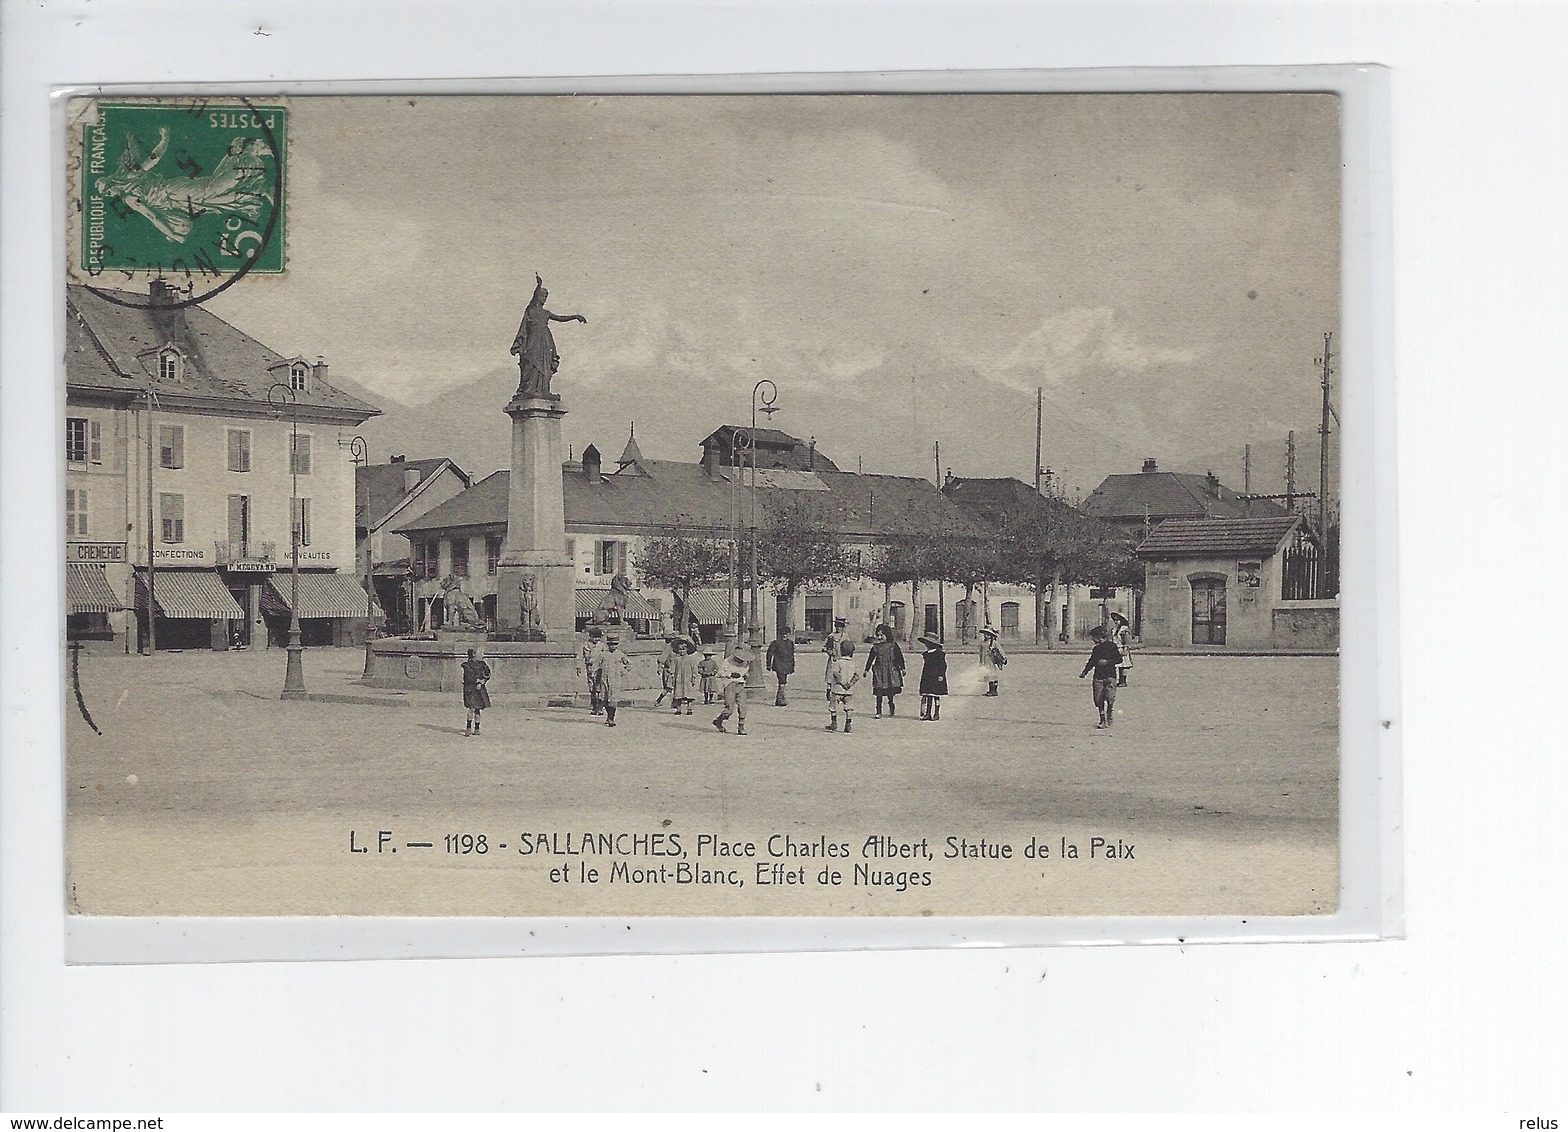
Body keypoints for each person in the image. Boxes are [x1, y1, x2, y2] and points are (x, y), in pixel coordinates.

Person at [509, 274, 586, 400]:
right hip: (533, 341)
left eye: (545, 296)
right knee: (531, 364)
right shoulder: (531, 309)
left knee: (545, 365)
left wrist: (575, 316)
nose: (544, 299)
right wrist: (538, 286)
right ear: (537, 296)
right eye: (542, 296)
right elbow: (532, 302)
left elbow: (560, 318)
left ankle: (543, 390)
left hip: (545, 341)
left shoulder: (546, 313)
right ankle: (529, 390)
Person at [1079, 625, 1123, 729]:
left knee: (1110, 697)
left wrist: (1107, 662)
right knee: (1098, 699)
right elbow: (1092, 661)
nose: (1092, 640)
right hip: (1098, 677)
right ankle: (1102, 719)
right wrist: (1085, 672)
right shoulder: (1096, 649)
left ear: (1099, 637)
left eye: (1094, 637)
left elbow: (1119, 659)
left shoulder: (1112, 646)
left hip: (1110, 676)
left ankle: (1109, 711)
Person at [863, 624, 906, 718]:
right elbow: (870, 658)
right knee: (879, 691)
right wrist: (866, 669)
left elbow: (899, 657)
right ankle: (878, 710)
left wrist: (902, 668)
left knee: (890, 691)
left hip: (890, 670)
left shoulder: (893, 646)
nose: (879, 637)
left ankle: (891, 706)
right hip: (879, 670)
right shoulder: (875, 647)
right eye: (878, 635)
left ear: (887, 635)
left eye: (882, 635)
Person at [594, 633, 632, 727]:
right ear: (608, 644)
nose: (613, 646)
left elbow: (629, 665)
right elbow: (597, 667)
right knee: (605, 700)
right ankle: (608, 716)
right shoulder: (603, 655)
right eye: (611, 644)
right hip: (604, 680)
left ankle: (611, 718)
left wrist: (622, 672)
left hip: (615, 680)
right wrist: (597, 680)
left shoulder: (620, 655)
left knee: (613, 700)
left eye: (615, 644)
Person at [825, 639, 861, 732]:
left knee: (833, 707)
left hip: (837, 689)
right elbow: (857, 676)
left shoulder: (838, 662)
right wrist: (850, 684)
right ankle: (848, 724)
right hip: (849, 690)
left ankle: (834, 723)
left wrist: (842, 683)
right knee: (849, 707)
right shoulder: (853, 663)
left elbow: (836, 674)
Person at [712, 654, 749, 736]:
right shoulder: (727, 661)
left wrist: (742, 675)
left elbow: (745, 672)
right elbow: (719, 673)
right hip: (729, 685)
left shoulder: (746, 662)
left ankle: (741, 726)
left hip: (740, 685)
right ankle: (719, 720)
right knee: (729, 709)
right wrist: (730, 674)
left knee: (743, 706)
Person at [461, 647, 491, 737]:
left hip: (480, 688)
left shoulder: (482, 664)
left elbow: (488, 673)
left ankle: (477, 728)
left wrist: (483, 681)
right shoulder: (467, 665)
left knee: (478, 708)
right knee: (471, 708)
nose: (483, 654)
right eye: (480, 653)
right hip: (471, 689)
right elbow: (469, 676)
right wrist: (477, 681)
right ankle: (468, 727)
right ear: (474, 654)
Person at [917, 635, 948, 721]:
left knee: (936, 695)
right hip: (927, 676)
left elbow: (943, 665)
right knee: (928, 695)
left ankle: (936, 713)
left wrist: (941, 675)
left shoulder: (939, 654)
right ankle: (928, 713)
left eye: (928, 643)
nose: (926, 645)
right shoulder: (927, 654)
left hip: (936, 676)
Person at [670, 638, 700, 715]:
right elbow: (673, 668)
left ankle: (689, 708)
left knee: (689, 694)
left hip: (688, 678)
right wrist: (672, 676)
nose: (681, 651)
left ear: (687, 649)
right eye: (680, 649)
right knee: (678, 694)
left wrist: (694, 677)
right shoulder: (676, 659)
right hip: (679, 678)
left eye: (683, 649)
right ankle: (678, 709)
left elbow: (694, 669)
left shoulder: (691, 659)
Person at [766, 632, 796, 706]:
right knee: (782, 681)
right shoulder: (775, 643)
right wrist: (768, 665)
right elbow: (769, 654)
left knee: (783, 681)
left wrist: (792, 666)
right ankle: (780, 698)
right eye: (783, 634)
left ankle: (780, 698)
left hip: (787, 665)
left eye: (786, 634)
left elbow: (792, 655)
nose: (785, 635)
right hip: (778, 664)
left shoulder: (790, 643)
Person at [581, 627, 606, 715]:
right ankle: (594, 705)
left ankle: (600, 707)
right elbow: (580, 657)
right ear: (590, 636)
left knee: (599, 688)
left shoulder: (602, 646)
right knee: (592, 688)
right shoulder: (586, 645)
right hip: (590, 668)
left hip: (599, 668)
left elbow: (606, 657)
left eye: (598, 637)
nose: (597, 639)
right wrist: (578, 667)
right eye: (595, 637)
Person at [979, 625, 1007, 697]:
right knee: (988, 676)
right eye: (985, 634)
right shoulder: (983, 643)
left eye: (988, 634)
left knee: (993, 675)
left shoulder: (994, 643)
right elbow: (981, 653)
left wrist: (1004, 657)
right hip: (986, 661)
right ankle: (990, 689)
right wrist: (981, 662)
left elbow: (1000, 650)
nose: (986, 636)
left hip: (992, 661)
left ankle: (994, 690)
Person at [653, 633, 678, 708]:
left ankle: (674, 703)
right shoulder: (668, 647)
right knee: (668, 687)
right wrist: (660, 667)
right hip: (669, 670)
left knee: (675, 687)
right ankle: (658, 700)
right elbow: (662, 659)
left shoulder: (674, 647)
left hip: (674, 669)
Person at [1111, 612, 1134, 687]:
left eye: (1117, 620)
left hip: (1123, 648)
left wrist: (1125, 649)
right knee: (1119, 665)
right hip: (1116, 649)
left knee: (1124, 665)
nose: (1116, 622)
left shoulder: (1124, 629)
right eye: (1114, 620)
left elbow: (1127, 641)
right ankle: (1119, 680)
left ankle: (1123, 681)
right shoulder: (1114, 629)